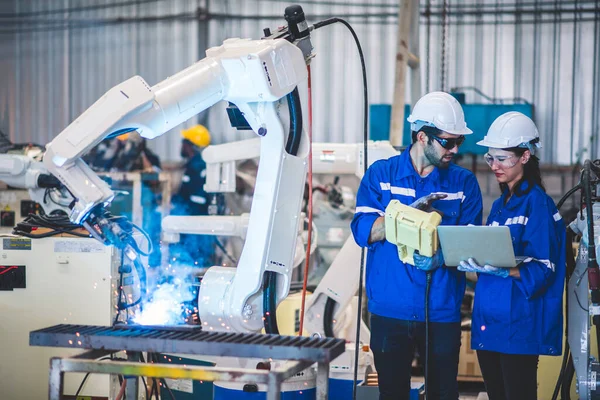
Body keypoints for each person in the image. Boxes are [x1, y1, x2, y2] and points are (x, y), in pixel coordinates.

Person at [351, 91, 483, 400]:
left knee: (442, 394)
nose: (454, 150)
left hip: (441, 310)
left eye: (458, 142)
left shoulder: (463, 185)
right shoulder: (381, 175)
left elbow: (468, 243)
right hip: (389, 309)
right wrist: (406, 215)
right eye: (447, 142)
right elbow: (362, 230)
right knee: (392, 394)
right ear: (422, 136)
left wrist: (440, 257)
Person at [457, 112, 566, 400]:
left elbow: (545, 268)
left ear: (525, 156)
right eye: (490, 158)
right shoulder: (498, 205)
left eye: (502, 158)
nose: (494, 166)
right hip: (490, 321)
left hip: (518, 326)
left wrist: (504, 270)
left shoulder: (538, 205)